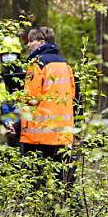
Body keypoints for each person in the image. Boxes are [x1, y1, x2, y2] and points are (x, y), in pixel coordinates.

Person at [20, 27, 76, 186]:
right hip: (62, 133)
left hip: (39, 134)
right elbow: (72, 95)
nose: (28, 45)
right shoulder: (65, 65)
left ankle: (36, 210)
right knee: (61, 178)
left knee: (35, 180)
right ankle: (62, 209)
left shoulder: (37, 64)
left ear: (42, 42)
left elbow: (30, 99)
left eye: (32, 41)